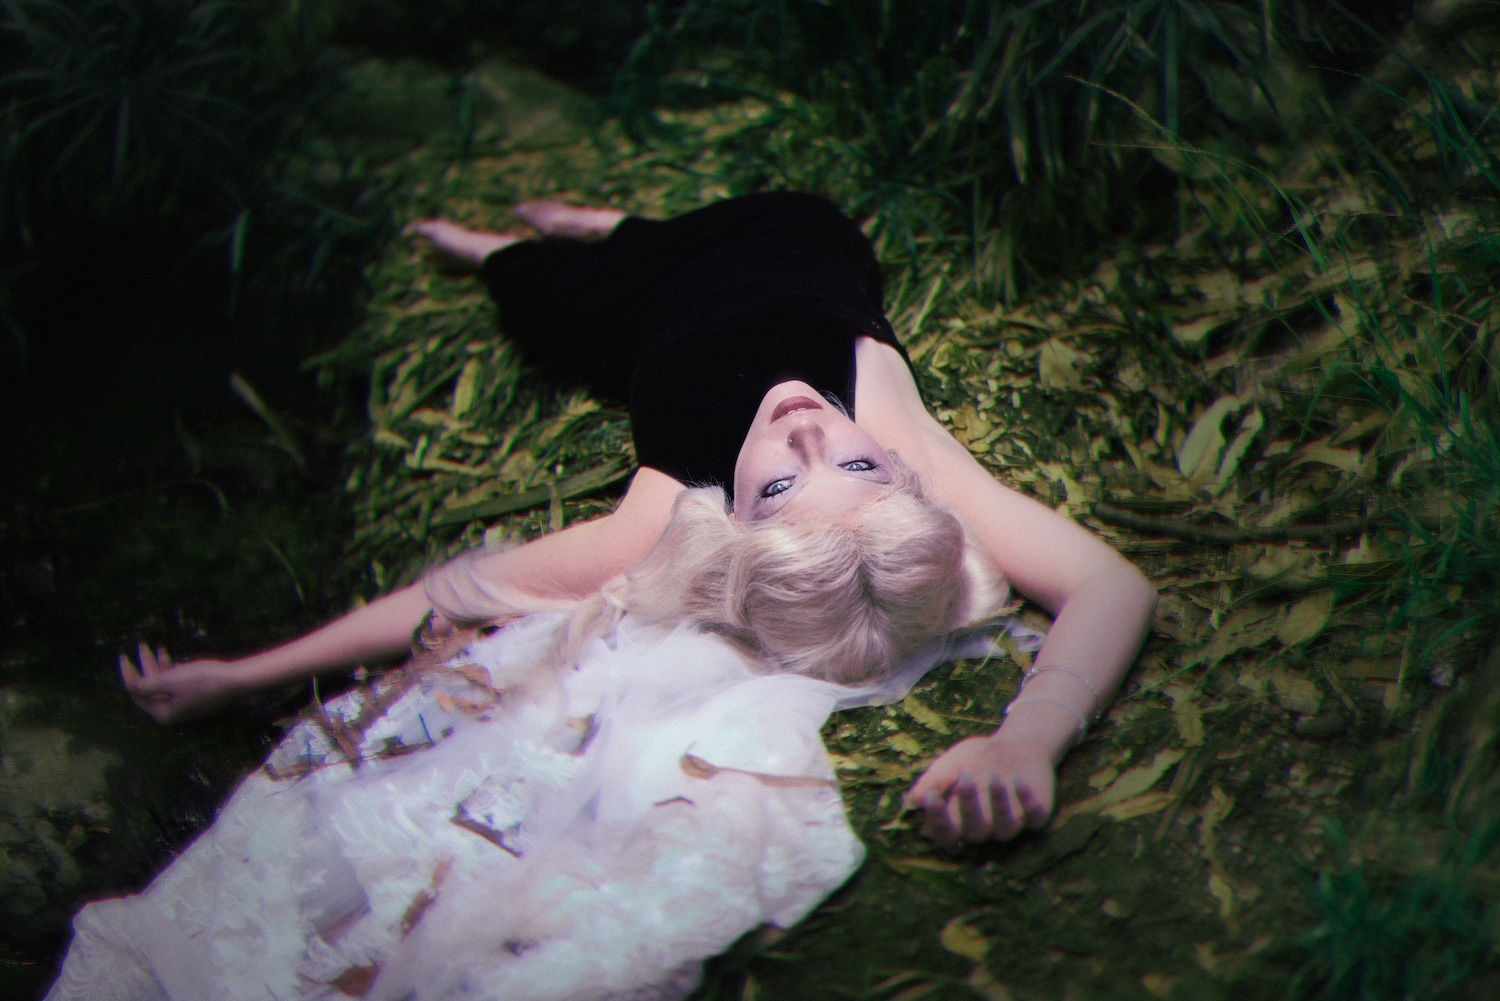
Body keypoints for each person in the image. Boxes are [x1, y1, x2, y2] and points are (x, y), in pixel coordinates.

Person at [54, 192, 1155, 1000]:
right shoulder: (908, 451)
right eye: (856, 464)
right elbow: (1110, 583)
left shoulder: (664, 510)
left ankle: (522, 247)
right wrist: (1032, 735)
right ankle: (605, 223)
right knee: (685, 237)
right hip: (802, 228)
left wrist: (243, 674)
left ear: (736, 522)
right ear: (896, 472)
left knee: (535, 288)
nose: (809, 428)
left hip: (644, 312)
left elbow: (459, 592)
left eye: (783, 483)